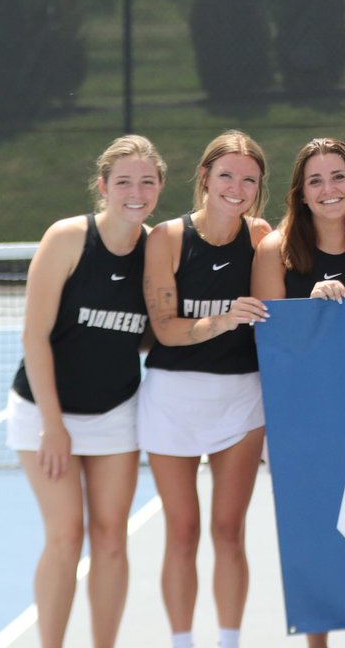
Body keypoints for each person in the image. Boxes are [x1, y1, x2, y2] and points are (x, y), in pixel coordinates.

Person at [7, 135, 166, 648]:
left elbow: (152, 330)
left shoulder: (157, 249)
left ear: (160, 187)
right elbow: (34, 335)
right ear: (103, 186)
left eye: (147, 181)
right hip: (42, 408)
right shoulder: (68, 238)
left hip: (114, 410)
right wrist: (53, 427)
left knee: (111, 540)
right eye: (123, 182)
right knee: (65, 536)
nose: (135, 192)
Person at [250, 137, 345, 648]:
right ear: (301, 193)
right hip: (304, 424)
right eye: (315, 180)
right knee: (315, 547)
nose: (328, 189)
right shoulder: (276, 251)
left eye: (337, 176)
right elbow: (272, 346)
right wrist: (310, 309)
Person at [140, 130, 273, 648]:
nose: (236, 187)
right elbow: (166, 329)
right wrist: (222, 320)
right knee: (183, 532)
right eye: (226, 175)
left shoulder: (262, 236)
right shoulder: (167, 238)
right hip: (172, 398)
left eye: (248, 179)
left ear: (258, 187)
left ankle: (229, 640)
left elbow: (282, 310)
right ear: (204, 177)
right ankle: (181, 641)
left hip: (242, 398)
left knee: (227, 531)